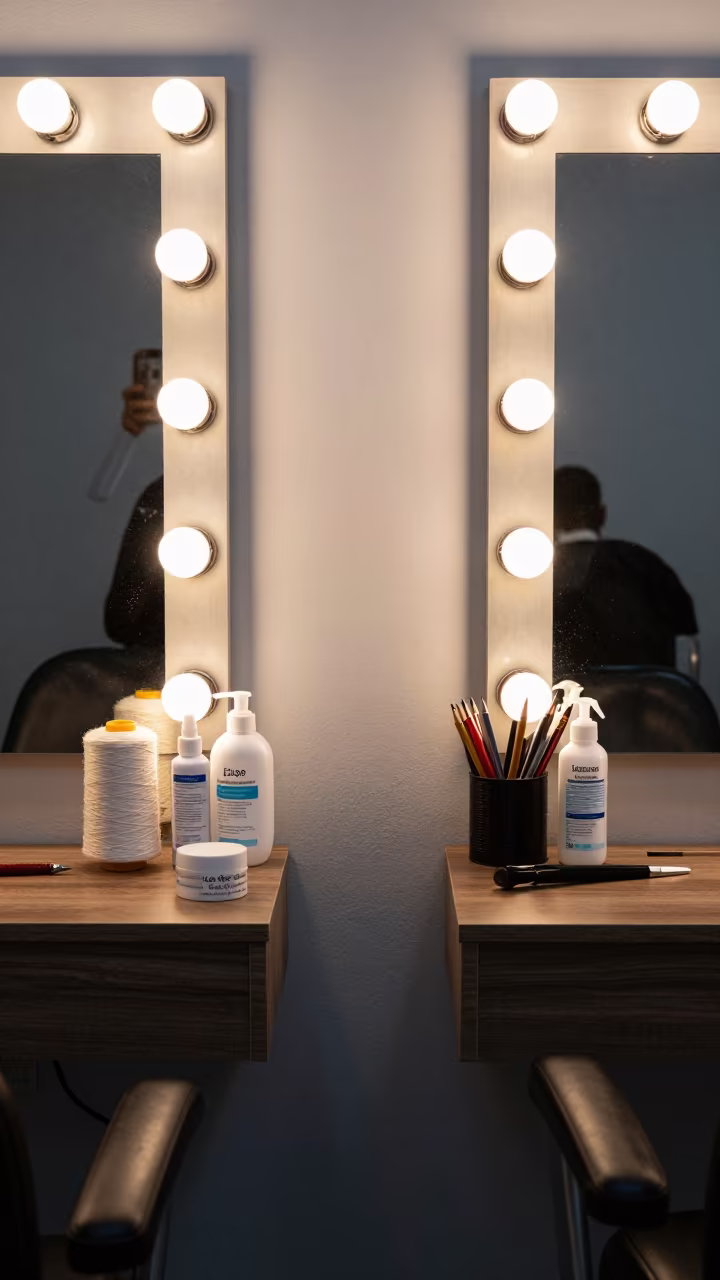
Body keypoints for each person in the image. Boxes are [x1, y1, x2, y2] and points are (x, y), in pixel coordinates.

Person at [553, 466, 698, 677]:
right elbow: (687, 627)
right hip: (648, 693)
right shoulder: (644, 563)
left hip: (566, 695)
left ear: (551, 516)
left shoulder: (537, 575)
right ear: (602, 514)